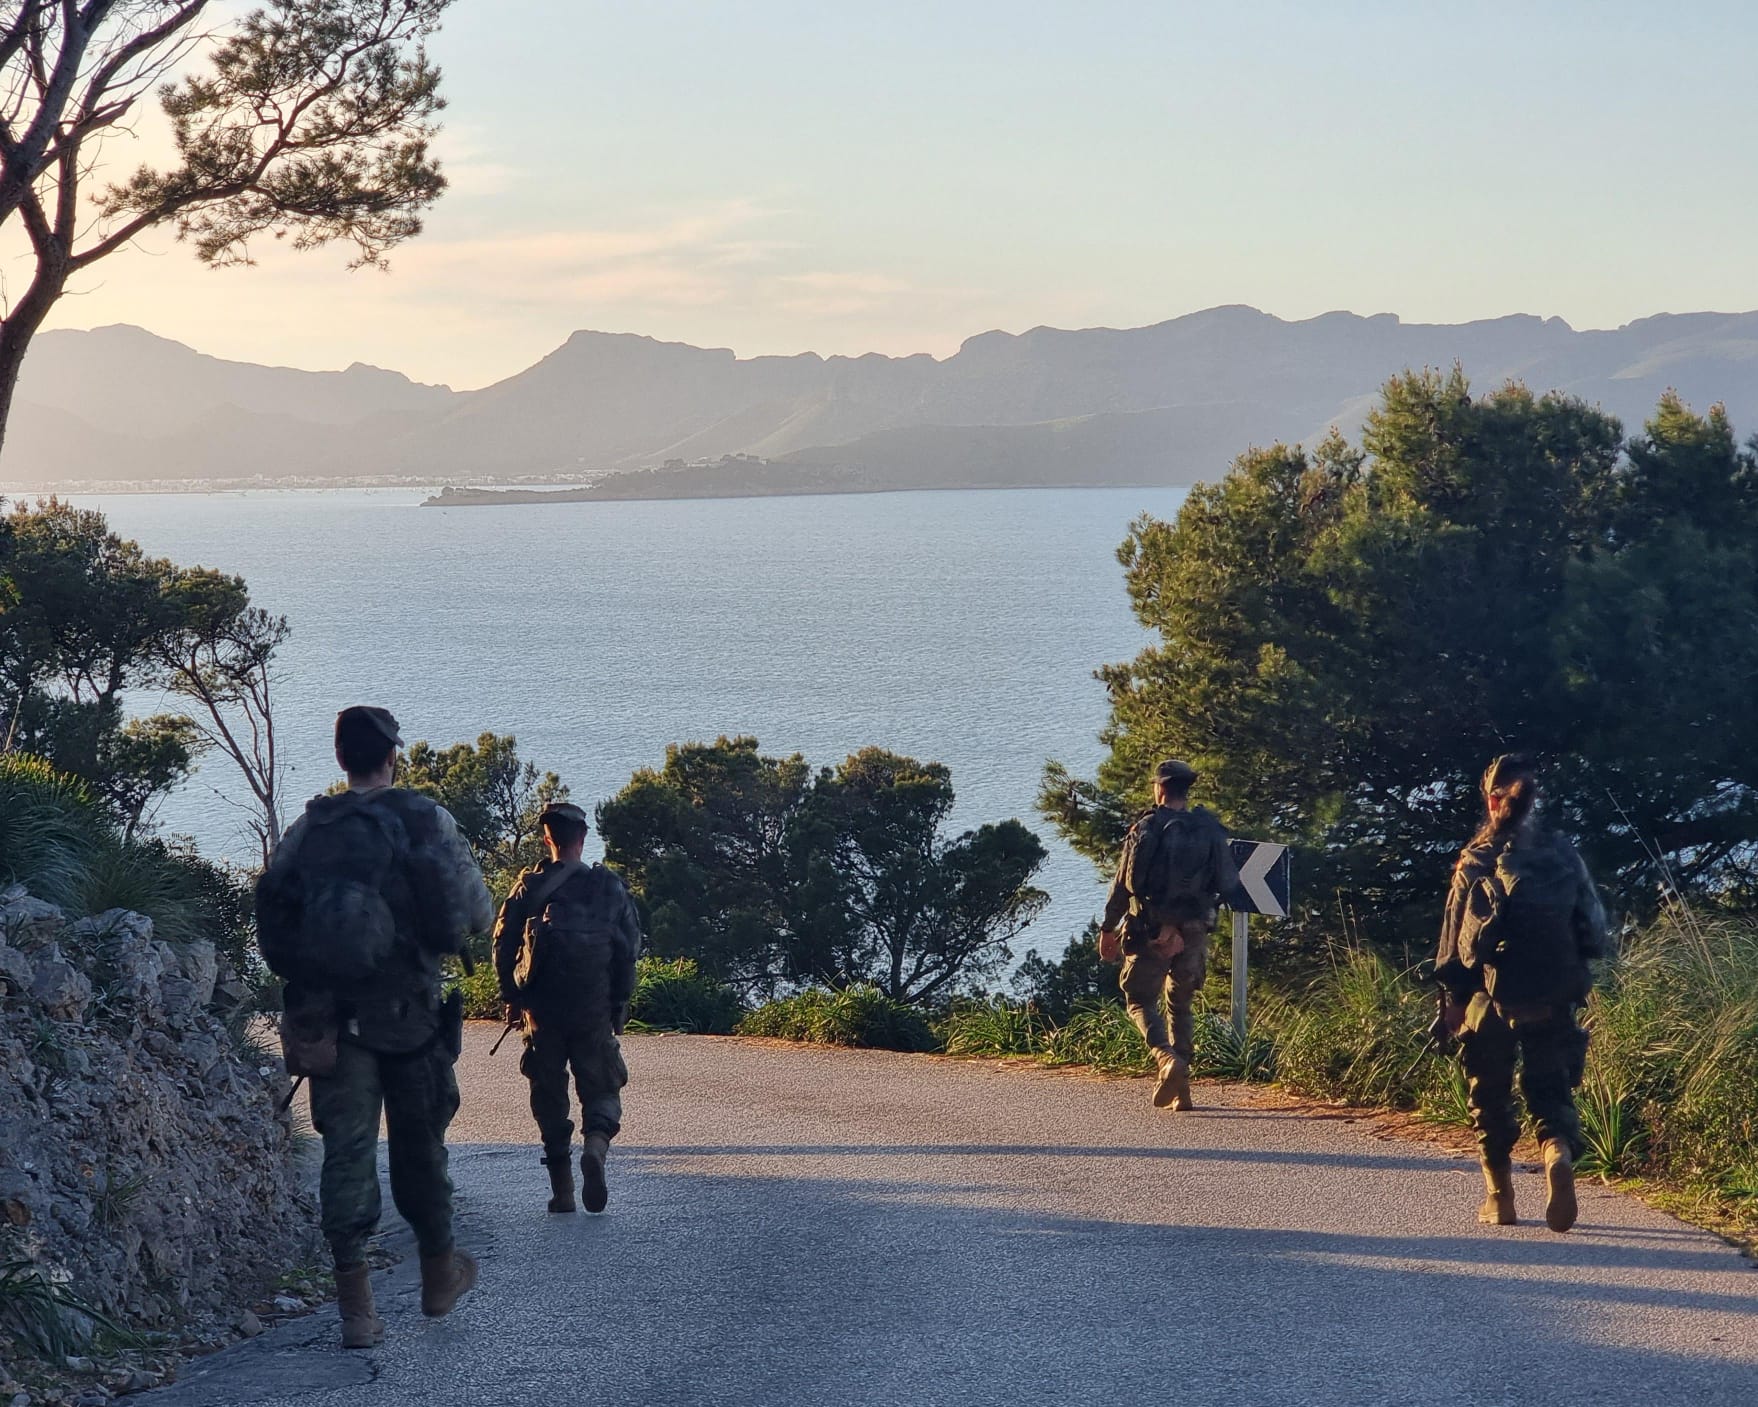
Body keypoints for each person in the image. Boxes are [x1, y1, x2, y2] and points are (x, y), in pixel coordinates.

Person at [256, 706, 494, 1349]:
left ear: (342, 759)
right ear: (391, 757)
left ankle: (357, 1311)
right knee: (421, 1150)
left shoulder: (312, 826)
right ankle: (440, 1274)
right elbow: (476, 911)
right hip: (411, 1017)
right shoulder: (426, 819)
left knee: (347, 1155)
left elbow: (274, 914)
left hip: (333, 1022)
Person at [1435, 753, 1607, 1233]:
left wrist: (1452, 1001)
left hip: (1488, 998)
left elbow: (1454, 944)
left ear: (1492, 799)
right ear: (1535, 801)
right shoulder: (1562, 853)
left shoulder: (1477, 858)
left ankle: (1500, 1197)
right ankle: (1556, 1153)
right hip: (1552, 993)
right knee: (1550, 1091)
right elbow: (1594, 930)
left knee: (1487, 1097)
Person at [492, 800, 642, 1215]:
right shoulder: (608, 887)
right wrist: (619, 1004)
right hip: (592, 1008)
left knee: (548, 1092)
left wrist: (511, 996)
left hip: (542, 1011)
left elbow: (503, 945)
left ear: (547, 839)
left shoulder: (528, 888)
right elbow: (627, 952)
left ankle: (562, 1191)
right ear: (583, 838)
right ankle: (595, 1145)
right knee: (603, 1087)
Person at [1098, 759, 1240, 1111]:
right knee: (1181, 1004)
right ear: (1186, 791)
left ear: (1160, 789)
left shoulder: (1146, 828)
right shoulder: (1209, 829)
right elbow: (1228, 884)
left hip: (1151, 931)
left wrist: (1107, 928)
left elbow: (1123, 886)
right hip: (1194, 931)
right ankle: (1183, 1088)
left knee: (1139, 1000)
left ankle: (1166, 1060)